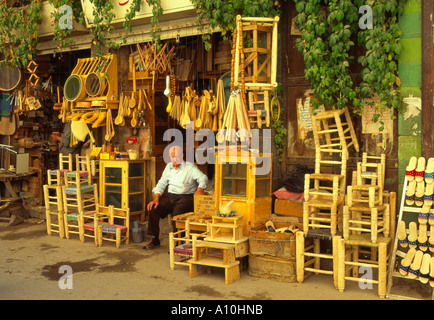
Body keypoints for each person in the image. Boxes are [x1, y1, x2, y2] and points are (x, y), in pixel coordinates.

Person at [144, 145, 208, 249]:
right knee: (153, 208)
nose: (175, 159)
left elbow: (203, 178)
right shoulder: (168, 167)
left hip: (186, 198)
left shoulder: (190, 167)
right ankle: (155, 239)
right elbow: (161, 184)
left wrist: (200, 189)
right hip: (170, 197)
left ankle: (179, 242)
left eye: (177, 156)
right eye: (172, 156)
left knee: (177, 213)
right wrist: (156, 198)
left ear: (182, 155)